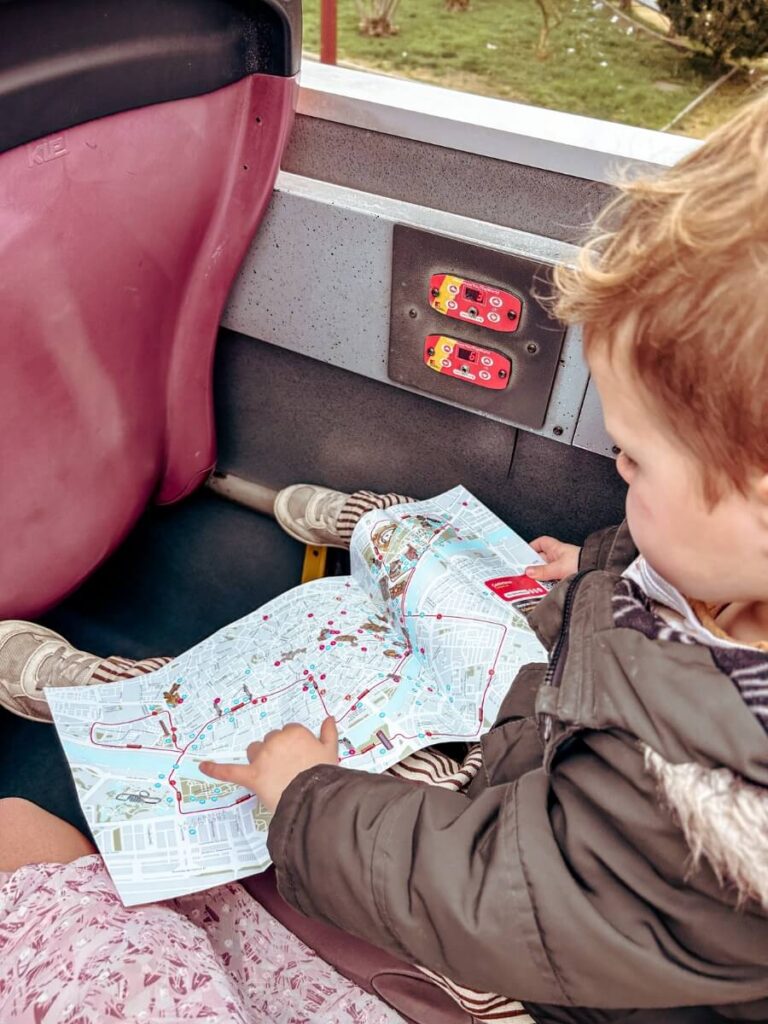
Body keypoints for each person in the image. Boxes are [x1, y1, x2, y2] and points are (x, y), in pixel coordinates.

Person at [1, 91, 767, 1024]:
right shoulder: (729, 577)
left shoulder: (701, 820)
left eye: (637, 462)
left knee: (232, 784)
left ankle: (110, 702)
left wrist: (303, 800)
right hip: (528, 768)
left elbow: (485, 895)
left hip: (519, 950)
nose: (615, 466)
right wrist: (602, 564)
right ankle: (376, 533)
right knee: (397, 626)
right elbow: (674, 580)